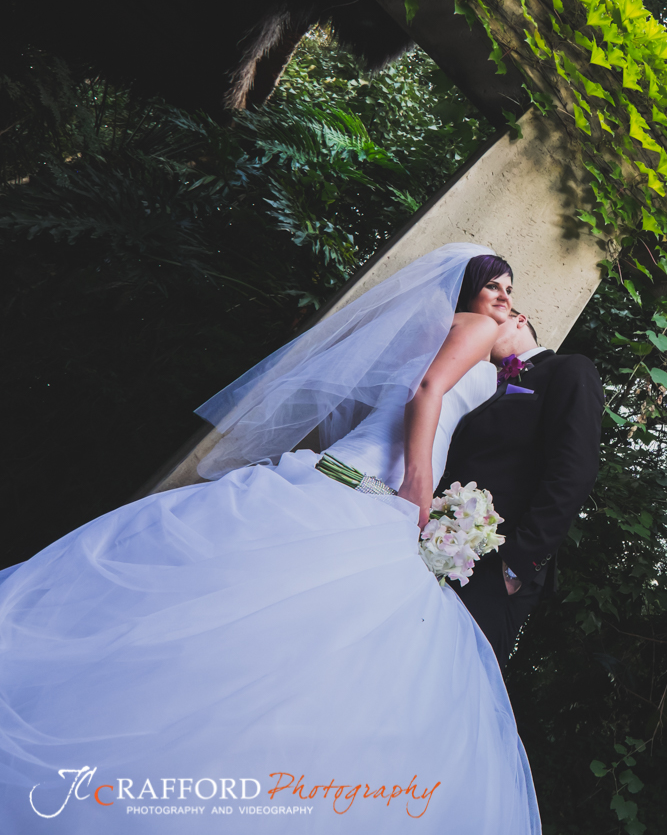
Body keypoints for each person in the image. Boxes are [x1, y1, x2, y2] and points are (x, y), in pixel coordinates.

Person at [0, 244, 541, 833]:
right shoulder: (474, 328)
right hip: (380, 493)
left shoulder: (431, 329)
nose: (504, 299)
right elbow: (426, 392)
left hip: (347, 478)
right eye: (495, 286)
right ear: (468, 287)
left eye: (510, 291)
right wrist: (418, 484)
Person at [442, 294, 605, 665]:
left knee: (459, 669)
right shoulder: (477, 381)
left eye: (489, 321)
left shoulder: (568, 369)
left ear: (519, 319)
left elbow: (574, 470)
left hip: (497, 566)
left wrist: (516, 563)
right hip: (444, 548)